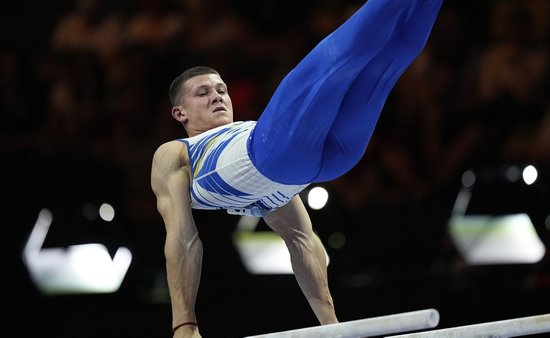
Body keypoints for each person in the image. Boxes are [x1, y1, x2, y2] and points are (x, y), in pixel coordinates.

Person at [151, 0, 443, 336]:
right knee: (337, 56)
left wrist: (330, 327)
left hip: (305, 161)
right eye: (202, 93)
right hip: (298, 157)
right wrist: (184, 324)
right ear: (179, 114)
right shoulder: (176, 153)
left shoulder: (258, 166)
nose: (217, 97)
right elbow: (182, 236)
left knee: (390, 56)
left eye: (221, 90)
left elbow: (303, 240)